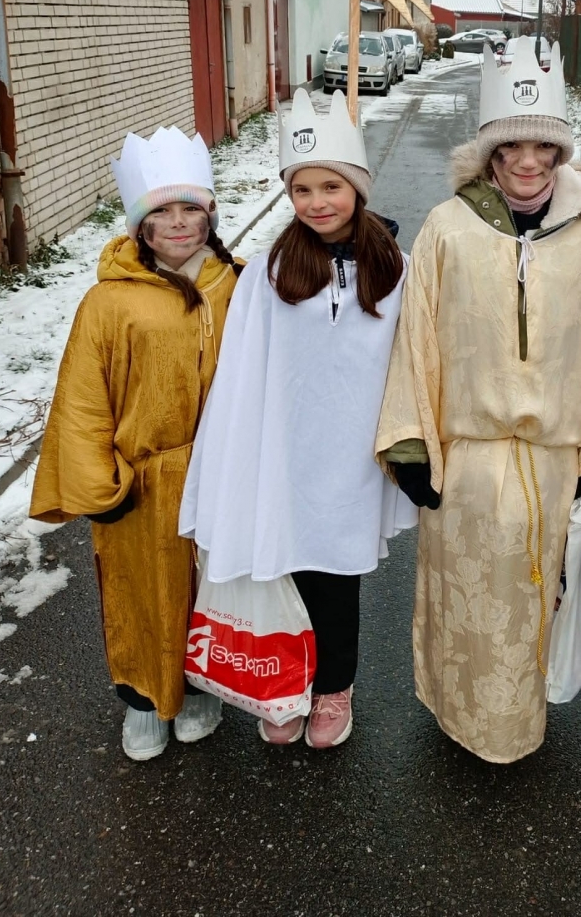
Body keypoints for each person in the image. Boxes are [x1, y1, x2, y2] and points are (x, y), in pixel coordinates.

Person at [376, 37, 581, 764]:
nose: (527, 162)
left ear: (560, 154)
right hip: (467, 455)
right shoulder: (447, 227)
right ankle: (457, 714)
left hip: (552, 458)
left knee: (530, 601)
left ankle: (516, 727)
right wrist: (410, 444)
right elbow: (417, 336)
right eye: (511, 147)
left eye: (542, 147)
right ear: (489, 154)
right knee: (465, 599)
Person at [179, 88, 417, 750]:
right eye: (302, 189)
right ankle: (284, 682)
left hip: (353, 455)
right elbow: (244, 367)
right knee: (283, 569)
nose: (317, 202)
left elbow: (412, 358)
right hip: (286, 452)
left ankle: (334, 687)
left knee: (336, 578)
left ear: (357, 188)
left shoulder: (397, 269)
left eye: (331, 186)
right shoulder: (270, 271)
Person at [30, 127, 242, 762]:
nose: (178, 223)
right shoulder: (109, 303)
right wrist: (98, 485)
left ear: (209, 216)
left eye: (190, 209)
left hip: (221, 472)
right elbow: (83, 399)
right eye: (162, 212)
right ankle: (143, 698)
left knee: (213, 590)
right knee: (140, 592)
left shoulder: (236, 285)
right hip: (144, 481)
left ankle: (201, 689)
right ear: (141, 228)